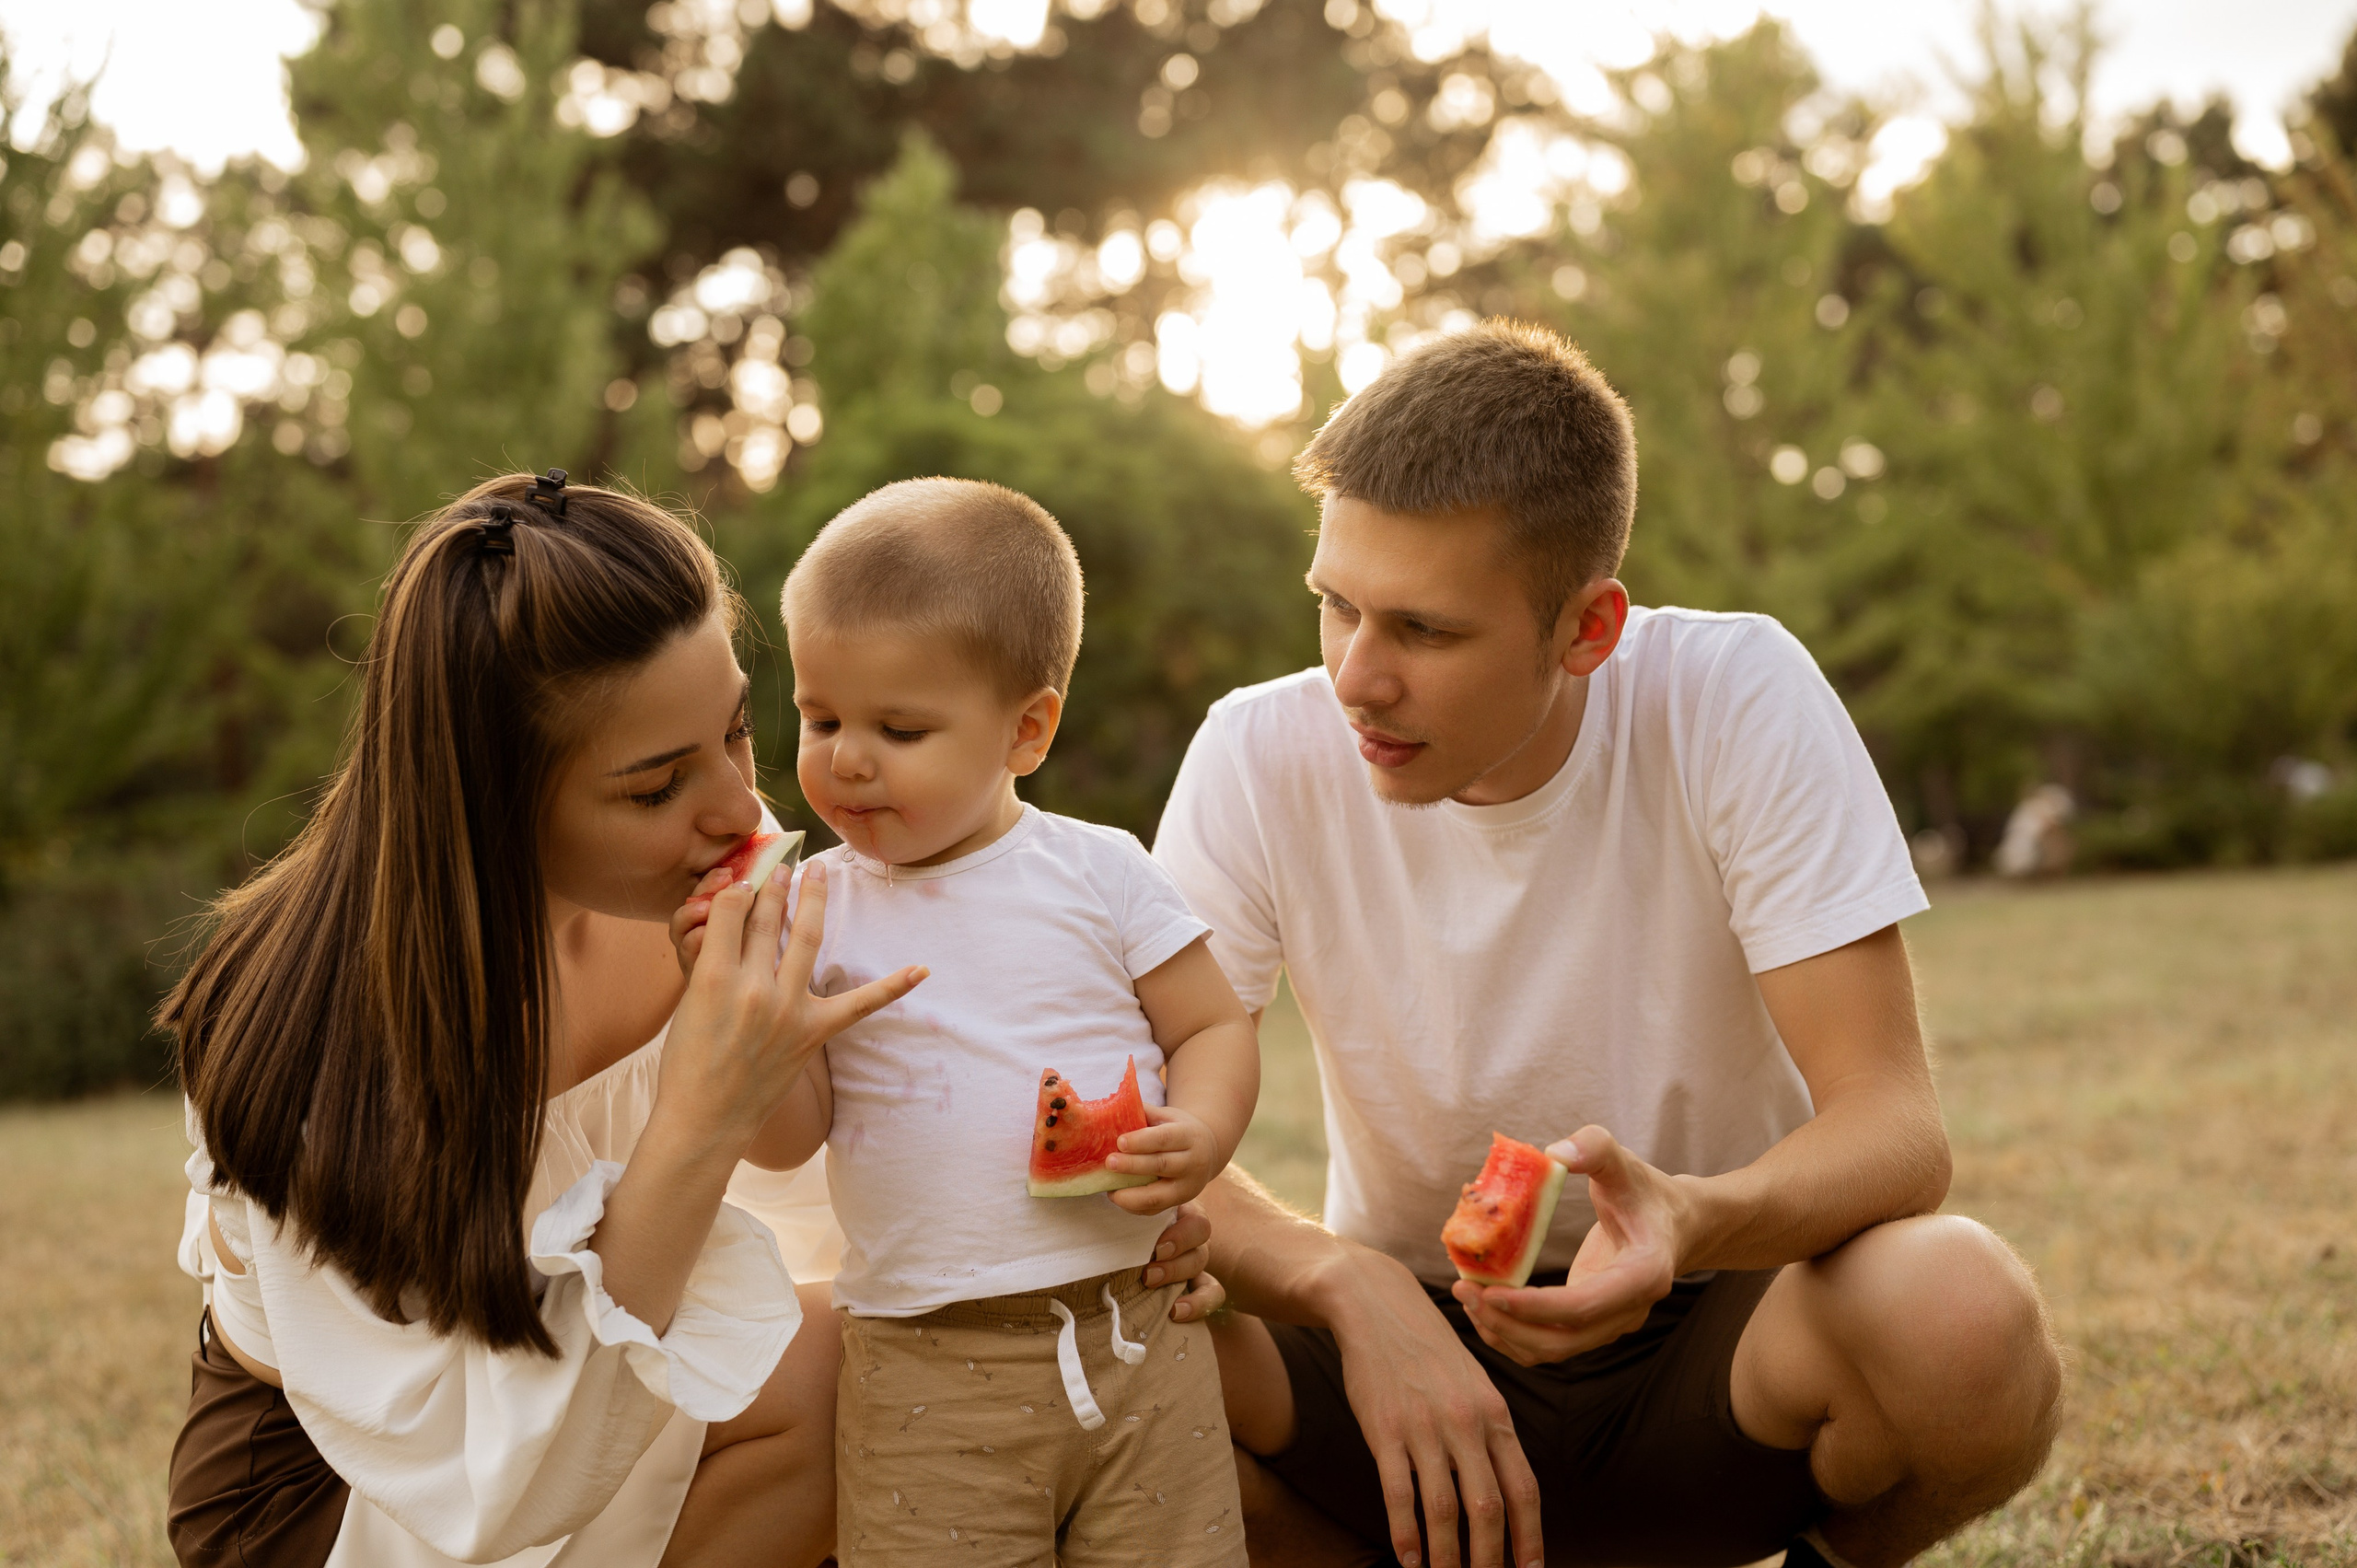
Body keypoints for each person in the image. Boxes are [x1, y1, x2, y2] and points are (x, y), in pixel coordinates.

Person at [159, 472, 1225, 1568]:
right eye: (655, 785)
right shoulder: (316, 1026)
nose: (736, 809)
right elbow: (492, 1491)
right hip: (357, 1495)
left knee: (874, 1374)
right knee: (824, 1371)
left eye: (737, 733)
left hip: (612, 1422)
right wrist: (700, 1113)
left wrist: (1071, 1251)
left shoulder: (724, 882)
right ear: (493, 798)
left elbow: (894, 1140)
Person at [1151, 323, 2064, 1568]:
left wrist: (1692, 1219)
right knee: (1078, 1334)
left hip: (1721, 1347)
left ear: (1589, 628)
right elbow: (1133, 1131)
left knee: (1961, 1309)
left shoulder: (1733, 695)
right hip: (1388, 1361)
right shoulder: (1255, 753)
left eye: (1423, 630)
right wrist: (1340, 1282)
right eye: (1335, 604)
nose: (1356, 677)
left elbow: (1896, 1128)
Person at [693, 478, 1260, 1566]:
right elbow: (786, 1137)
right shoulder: (812, 909)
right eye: (820, 717)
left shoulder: (1102, 871)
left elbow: (1212, 1027)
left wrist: (1206, 1131)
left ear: (1027, 730)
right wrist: (744, 1004)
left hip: (1138, 1329)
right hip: (919, 1361)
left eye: (899, 727)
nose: (846, 756)